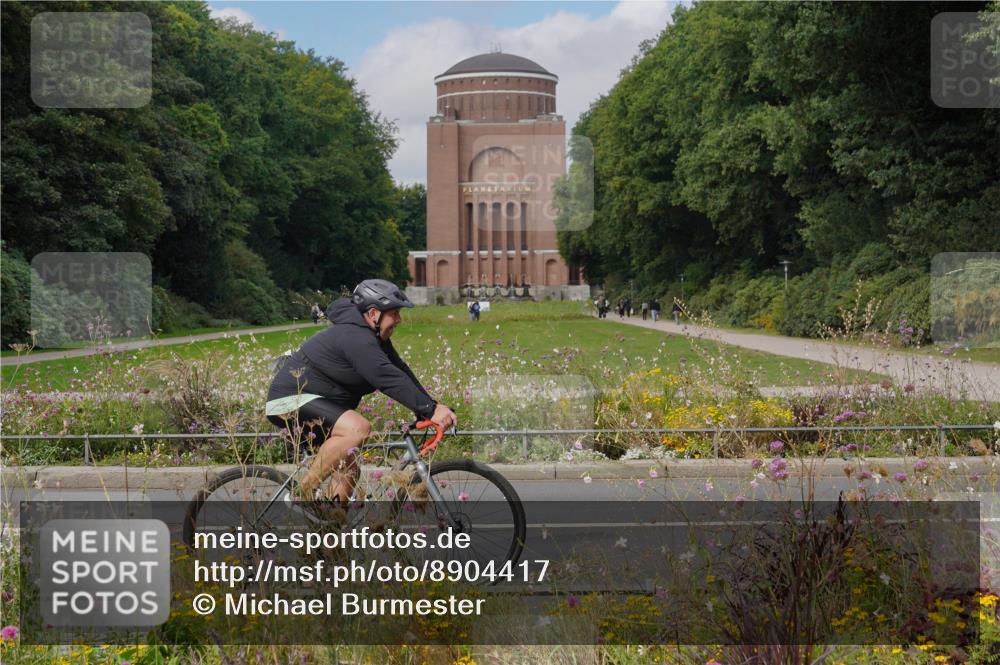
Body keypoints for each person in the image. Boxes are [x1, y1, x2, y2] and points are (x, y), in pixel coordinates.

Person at [266, 279, 457, 509]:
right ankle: (302, 493)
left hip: (319, 402)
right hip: (289, 399)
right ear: (374, 314)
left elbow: (399, 371)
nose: (398, 320)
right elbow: (384, 376)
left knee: (349, 469)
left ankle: (330, 527)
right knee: (358, 429)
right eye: (394, 313)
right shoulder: (355, 336)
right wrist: (430, 409)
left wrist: (428, 407)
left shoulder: (373, 338)